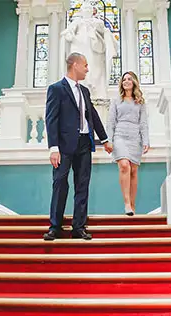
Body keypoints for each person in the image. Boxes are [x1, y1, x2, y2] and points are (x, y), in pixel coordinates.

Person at [43, 52, 112, 241]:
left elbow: (93, 116)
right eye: (85, 65)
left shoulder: (85, 91)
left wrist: (105, 139)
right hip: (63, 146)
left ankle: (78, 227)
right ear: (75, 65)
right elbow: (51, 120)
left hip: (84, 143)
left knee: (83, 186)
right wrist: (53, 148)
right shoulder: (56, 89)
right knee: (60, 184)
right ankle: (55, 227)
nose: (88, 69)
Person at [106, 71, 150, 216]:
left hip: (135, 137)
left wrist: (146, 140)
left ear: (134, 82)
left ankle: (132, 204)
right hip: (120, 136)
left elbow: (143, 123)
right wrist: (109, 140)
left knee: (134, 171)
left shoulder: (140, 102)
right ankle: (126, 203)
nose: (126, 81)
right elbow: (111, 122)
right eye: (124, 79)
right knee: (124, 166)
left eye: (129, 79)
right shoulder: (116, 101)